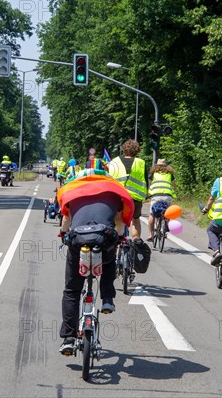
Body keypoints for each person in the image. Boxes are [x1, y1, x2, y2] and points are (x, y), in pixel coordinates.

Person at [56, 169, 134, 355]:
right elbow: (120, 224)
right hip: (103, 239)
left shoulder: (72, 190)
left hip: (78, 241)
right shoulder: (114, 192)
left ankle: (68, 338)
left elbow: (66, 221)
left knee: (72, 290)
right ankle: (107, 299)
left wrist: (63, 235)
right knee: (108, 262)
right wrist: (121, 237)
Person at [108, 139, 147, 239]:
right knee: (135, 220)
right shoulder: (141, 163)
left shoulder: (114, 162)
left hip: (118, 196)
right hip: (135, 197)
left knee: (117, 219)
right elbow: (145, 180)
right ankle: (136, 242)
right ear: (137, 150)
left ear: (123, 149)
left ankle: (117, 244)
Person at [146, 159, 176, 241]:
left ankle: (150, 234)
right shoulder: (170, 174)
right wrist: (174, 194)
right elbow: (174, 186)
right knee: (167, 212)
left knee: (152, 214)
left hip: (156, 196)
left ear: (156, 166)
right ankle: (165, 225)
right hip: (167, 195)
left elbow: (149, 185)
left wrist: (148, 193)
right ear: (166, 166)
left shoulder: (153, 174)